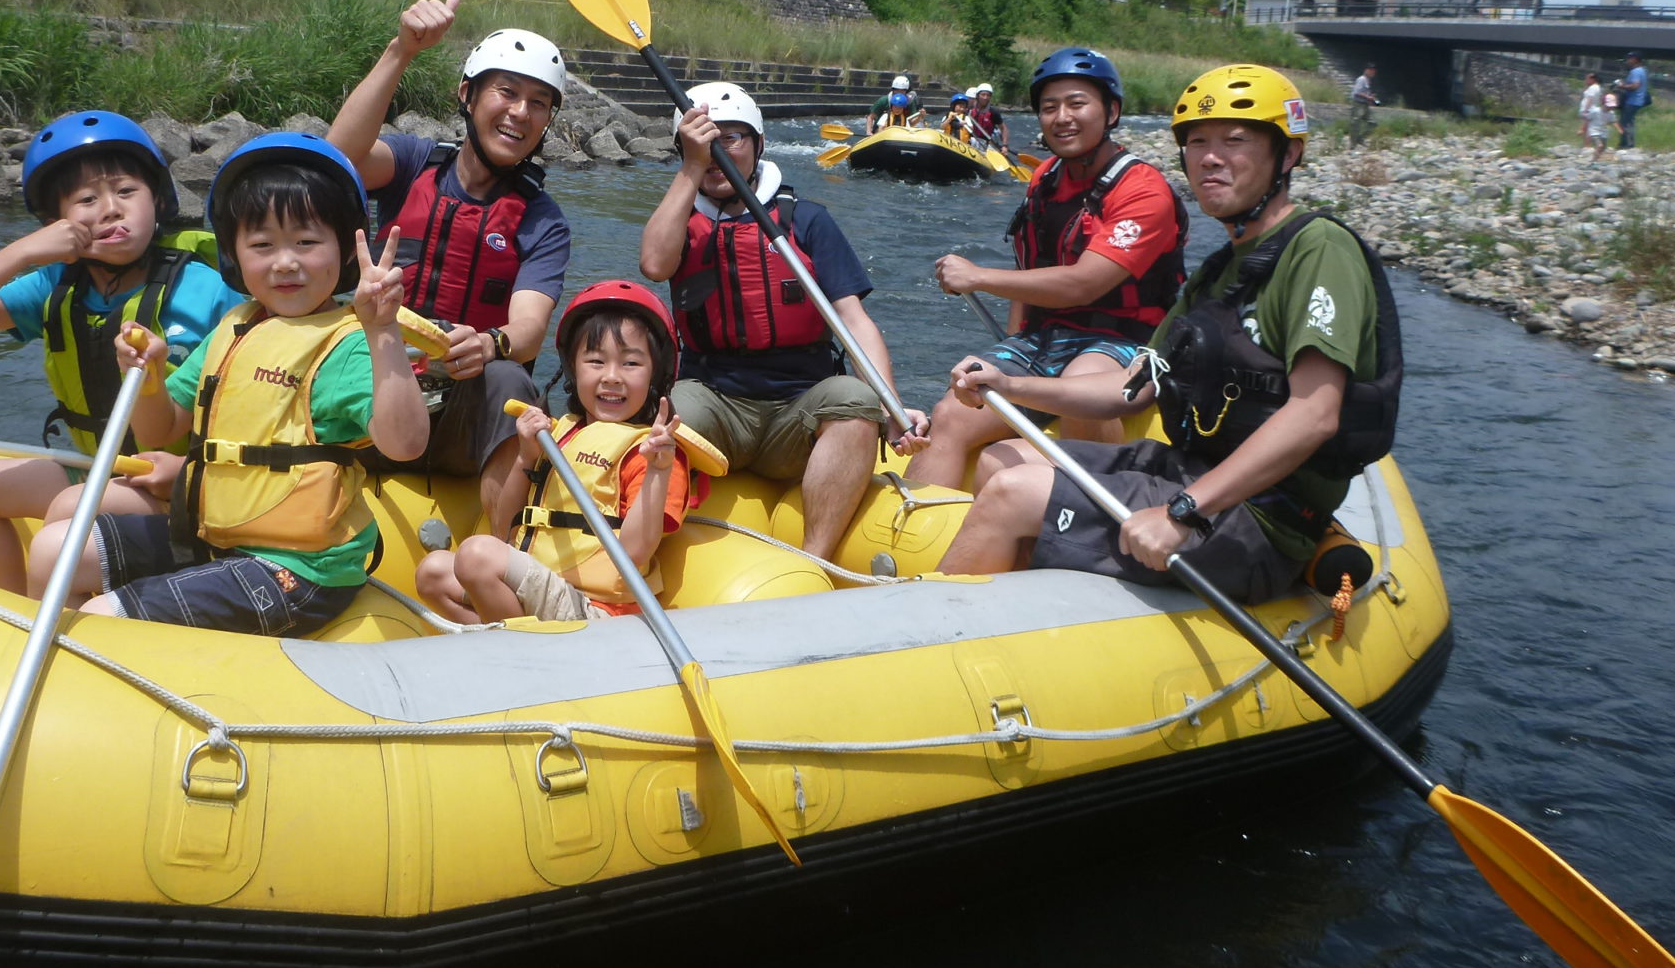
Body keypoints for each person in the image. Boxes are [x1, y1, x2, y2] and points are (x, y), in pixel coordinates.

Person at [931, 63, 1401, 608]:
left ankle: (934, 633)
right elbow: (1126, 390)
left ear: (1288, 155)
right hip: (1197, 473)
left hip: (1262, 515)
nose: (1210, 158)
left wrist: (1186, 510)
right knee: (999, 460)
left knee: (1014, 492)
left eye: (1235, 141)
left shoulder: (1318, 249)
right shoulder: (1219, 272)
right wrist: (1009, 388)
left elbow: (1315, 414)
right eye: (1197, 142)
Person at [31, 133, 431, 633]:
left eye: (307, 242)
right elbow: (160, 430)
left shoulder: (347, 343)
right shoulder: (237, 326)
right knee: (52, 552)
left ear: (344, 249)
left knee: (101, 619)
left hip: (300, 570)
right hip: (216, 535)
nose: (285, 262)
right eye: (262, 245)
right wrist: (149, 379)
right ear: (235, 254)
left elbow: (406, 444)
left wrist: (383, 329)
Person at [0, 111, 240, 593]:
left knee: (68, 513)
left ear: (159, 200)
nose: (111, 209)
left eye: (127, 193)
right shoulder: (54, 284)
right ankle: (8, 614)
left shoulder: (210, 286)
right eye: (87, 200)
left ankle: (64, 621)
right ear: (57, 222)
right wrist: (23, 252)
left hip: (182, 479)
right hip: (105, 466)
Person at [642, 82, 927, 558]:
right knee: (675, 413)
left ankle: (817, 559)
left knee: (857, 399)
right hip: (715, 402)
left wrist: (892, 409)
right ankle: (649, 551)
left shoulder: (807, 220)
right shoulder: (680, 220)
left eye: (732, 138)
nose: (718, 152)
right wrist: (692, 167)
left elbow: (855, 321)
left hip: (798, 411)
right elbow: (653, 263)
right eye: (705, 142)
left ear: (757, 145)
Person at [326, 0, 572, 520]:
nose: (520, 113)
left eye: (539, 103)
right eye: (507, 92)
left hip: (462, 408)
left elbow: (528, 328)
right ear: (468, 94)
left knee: (511, 380)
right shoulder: (413, 164)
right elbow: (337, 160)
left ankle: (497, 552)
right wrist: (401, 52)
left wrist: (489, 343)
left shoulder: (541, 219)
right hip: (379, 392)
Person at [908, 46, 1186, 488]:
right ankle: (921, 532)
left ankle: (1108, 502)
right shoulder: (1046, 177)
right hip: (1047, 336)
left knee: (1081, 390)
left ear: (1111, 111)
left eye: (1077, 103)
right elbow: (1031, 267)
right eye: (1049, 107)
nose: (1061, 117)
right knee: (952, 411)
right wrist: (1017, 342)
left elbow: (1084, 284)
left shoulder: (1143, 189)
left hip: (1124, 338)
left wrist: (978, 277)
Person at [415, 280, 726, 624]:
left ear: (656, 374)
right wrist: (526, 455)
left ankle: (516, 650)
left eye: (631, 364)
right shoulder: (559, 433)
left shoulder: (653, 452)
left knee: (476, 555)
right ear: (573, 368)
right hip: (543, 590)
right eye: (595, 361)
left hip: (599, 609)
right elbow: (503, 527)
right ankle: (515, 641)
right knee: (433, 572)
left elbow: (635, 552)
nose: (612, 377)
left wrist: (657, 470)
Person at [1616, 51, 1651, 149]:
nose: (1627, 61)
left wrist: (1622, 86)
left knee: (1625, 122)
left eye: (1629, 59)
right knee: (1629, 122)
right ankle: (1627, 143)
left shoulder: (1635, 71)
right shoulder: (1643, 70)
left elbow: (1635, 85)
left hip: (1633, 100)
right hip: (1637, 100)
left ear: (1635, 59)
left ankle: (1626, 144)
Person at [1580, 74, 1613, 161]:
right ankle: (1588, 146)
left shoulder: (1593, 87)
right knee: (1588, 128)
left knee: (1588, 128)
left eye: (1587, 78)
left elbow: (1590, 99)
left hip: (1589, 109)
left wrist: (1586, 109)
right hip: (1591, 109)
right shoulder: (1597, 87)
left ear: (1593, 79)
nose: (1585, 80)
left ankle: (1587, 146)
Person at [1347, 64, 1380, 149]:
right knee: (1355, 124)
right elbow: (1357, 92)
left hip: (1365, 105)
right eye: (1371, 70)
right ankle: (1352, 145)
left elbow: (1364, 92)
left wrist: (1371, 99)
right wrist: (1368, 97)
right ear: (1366, 70)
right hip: (1358, 104)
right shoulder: (1361, 79)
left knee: (1373, 123)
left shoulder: (1368, 80)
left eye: (1374, 71)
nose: (1373, 73)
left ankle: (1360, 138)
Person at [968, 83, 1007, 150]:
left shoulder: (993, 112)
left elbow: (1003, 129)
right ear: (977, 96)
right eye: (983, 95)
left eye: (988, 95)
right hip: (970, 139)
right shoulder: (969, 109)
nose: (985, 97)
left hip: (985, 143)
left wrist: (1004, 145)